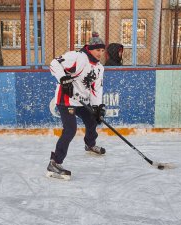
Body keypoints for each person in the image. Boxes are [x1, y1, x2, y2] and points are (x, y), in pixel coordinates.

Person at [46, 32, 106, 180]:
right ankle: (55, 163)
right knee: (70, 129)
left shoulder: (99, 68)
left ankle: (90, 144)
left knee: (92, 120)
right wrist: (63, 79)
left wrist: (97, 108)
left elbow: (96, 89)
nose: (100, 53)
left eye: (102, 50)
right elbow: (54, 63)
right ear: (90, 49)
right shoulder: (77, 57)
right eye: (98, 50)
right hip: (66, 100)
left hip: (81, 101)